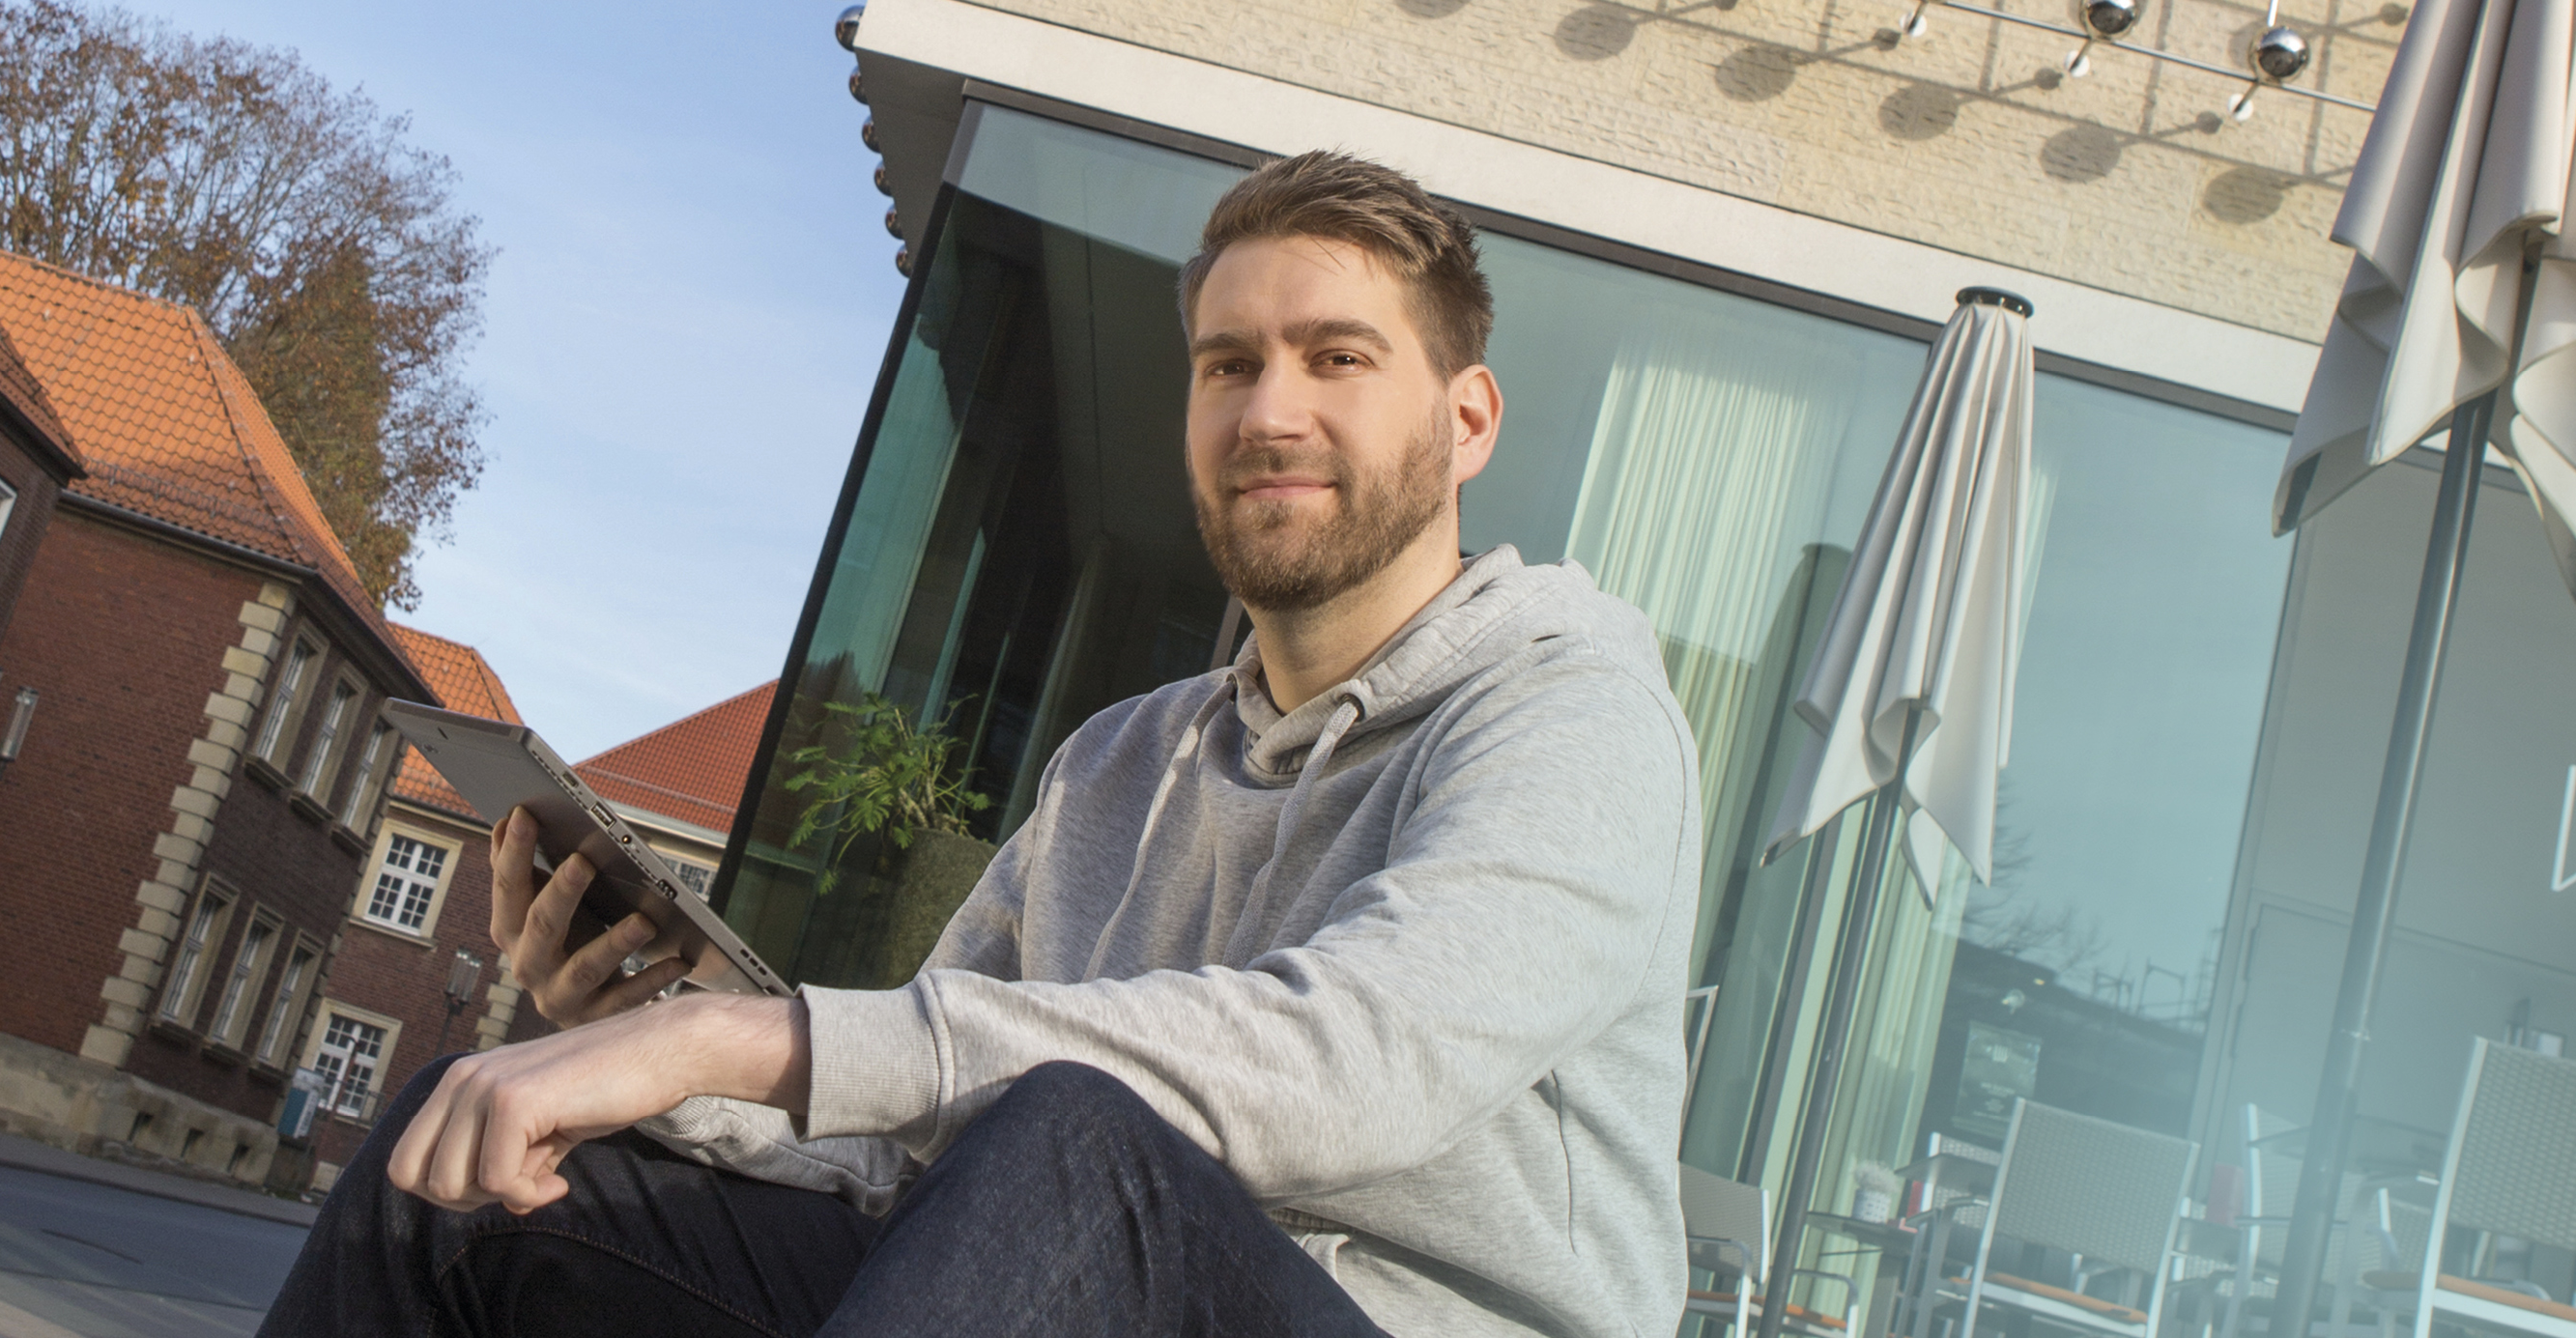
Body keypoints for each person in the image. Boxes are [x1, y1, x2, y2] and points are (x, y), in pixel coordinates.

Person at [255, 150, 1701, 1338]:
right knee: (463, 1168)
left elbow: (1357, 1059)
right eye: (1225, 364)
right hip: (1068, 1288)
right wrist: (649, 1043)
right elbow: (905, 1135)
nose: (1270, 410)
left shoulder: (1572, 710)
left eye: (1336, 357)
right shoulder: (1118, 765)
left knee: (1074, 1140)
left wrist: (740, 1032)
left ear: (1467, 419)